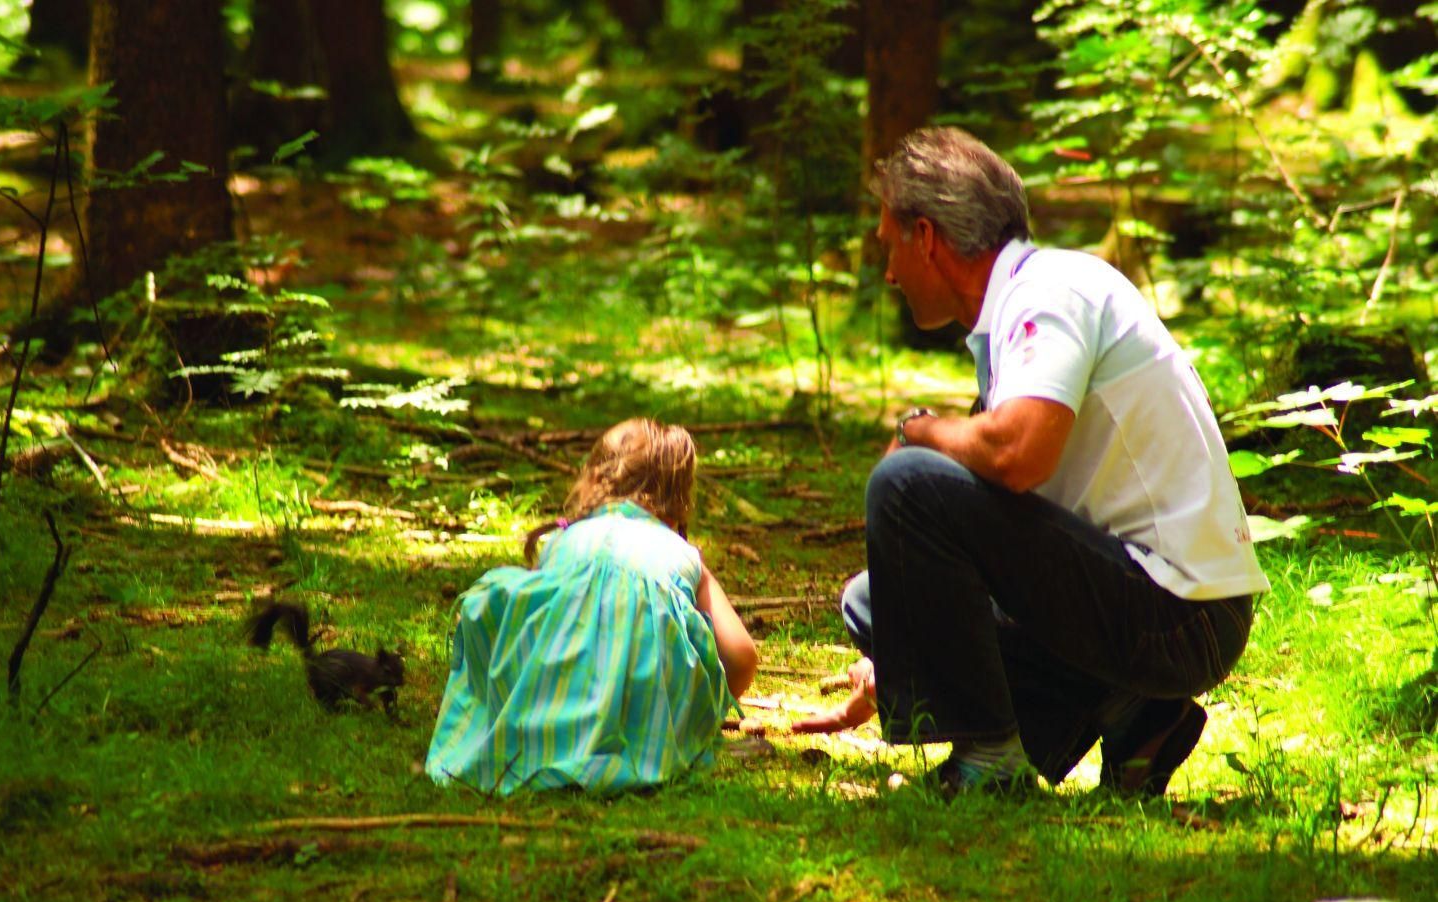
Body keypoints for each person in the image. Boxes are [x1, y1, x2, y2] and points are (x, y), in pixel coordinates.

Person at [801, 127, 1269, 796]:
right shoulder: (1017, 313)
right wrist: (909, 660)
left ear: (926, 236)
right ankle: (1136, 713)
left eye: (889, 247)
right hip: (1141, 599)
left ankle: (992, 757)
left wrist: (920, 429)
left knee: (905, 485)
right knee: (876, 601)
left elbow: (1019, 454)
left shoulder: (1051, 291)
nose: (888, 273)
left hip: (1183, 612)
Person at [426, 418, 758, 795]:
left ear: (594, 480)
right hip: (647, 726)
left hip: (547, 713)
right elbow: (742, 656)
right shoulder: (681, 555)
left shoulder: (565, 542)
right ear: (679, 498)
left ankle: (536, 730)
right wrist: (698, 709)